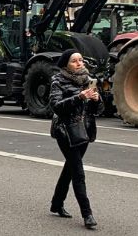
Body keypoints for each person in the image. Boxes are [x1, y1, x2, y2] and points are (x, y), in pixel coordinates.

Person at [49, 49, 102, 230]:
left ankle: (56, 203)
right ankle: (87, 214)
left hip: (84, 131)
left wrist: (96, 99)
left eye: (81, 60)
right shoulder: (58, 81)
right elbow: (56, 106)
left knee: (70, 169)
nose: (80, 63)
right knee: (78, 172)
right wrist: (79, 97)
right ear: (66, 65)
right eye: (75, 61)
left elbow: (97, 110)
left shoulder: (89, 81)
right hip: (66, 131)